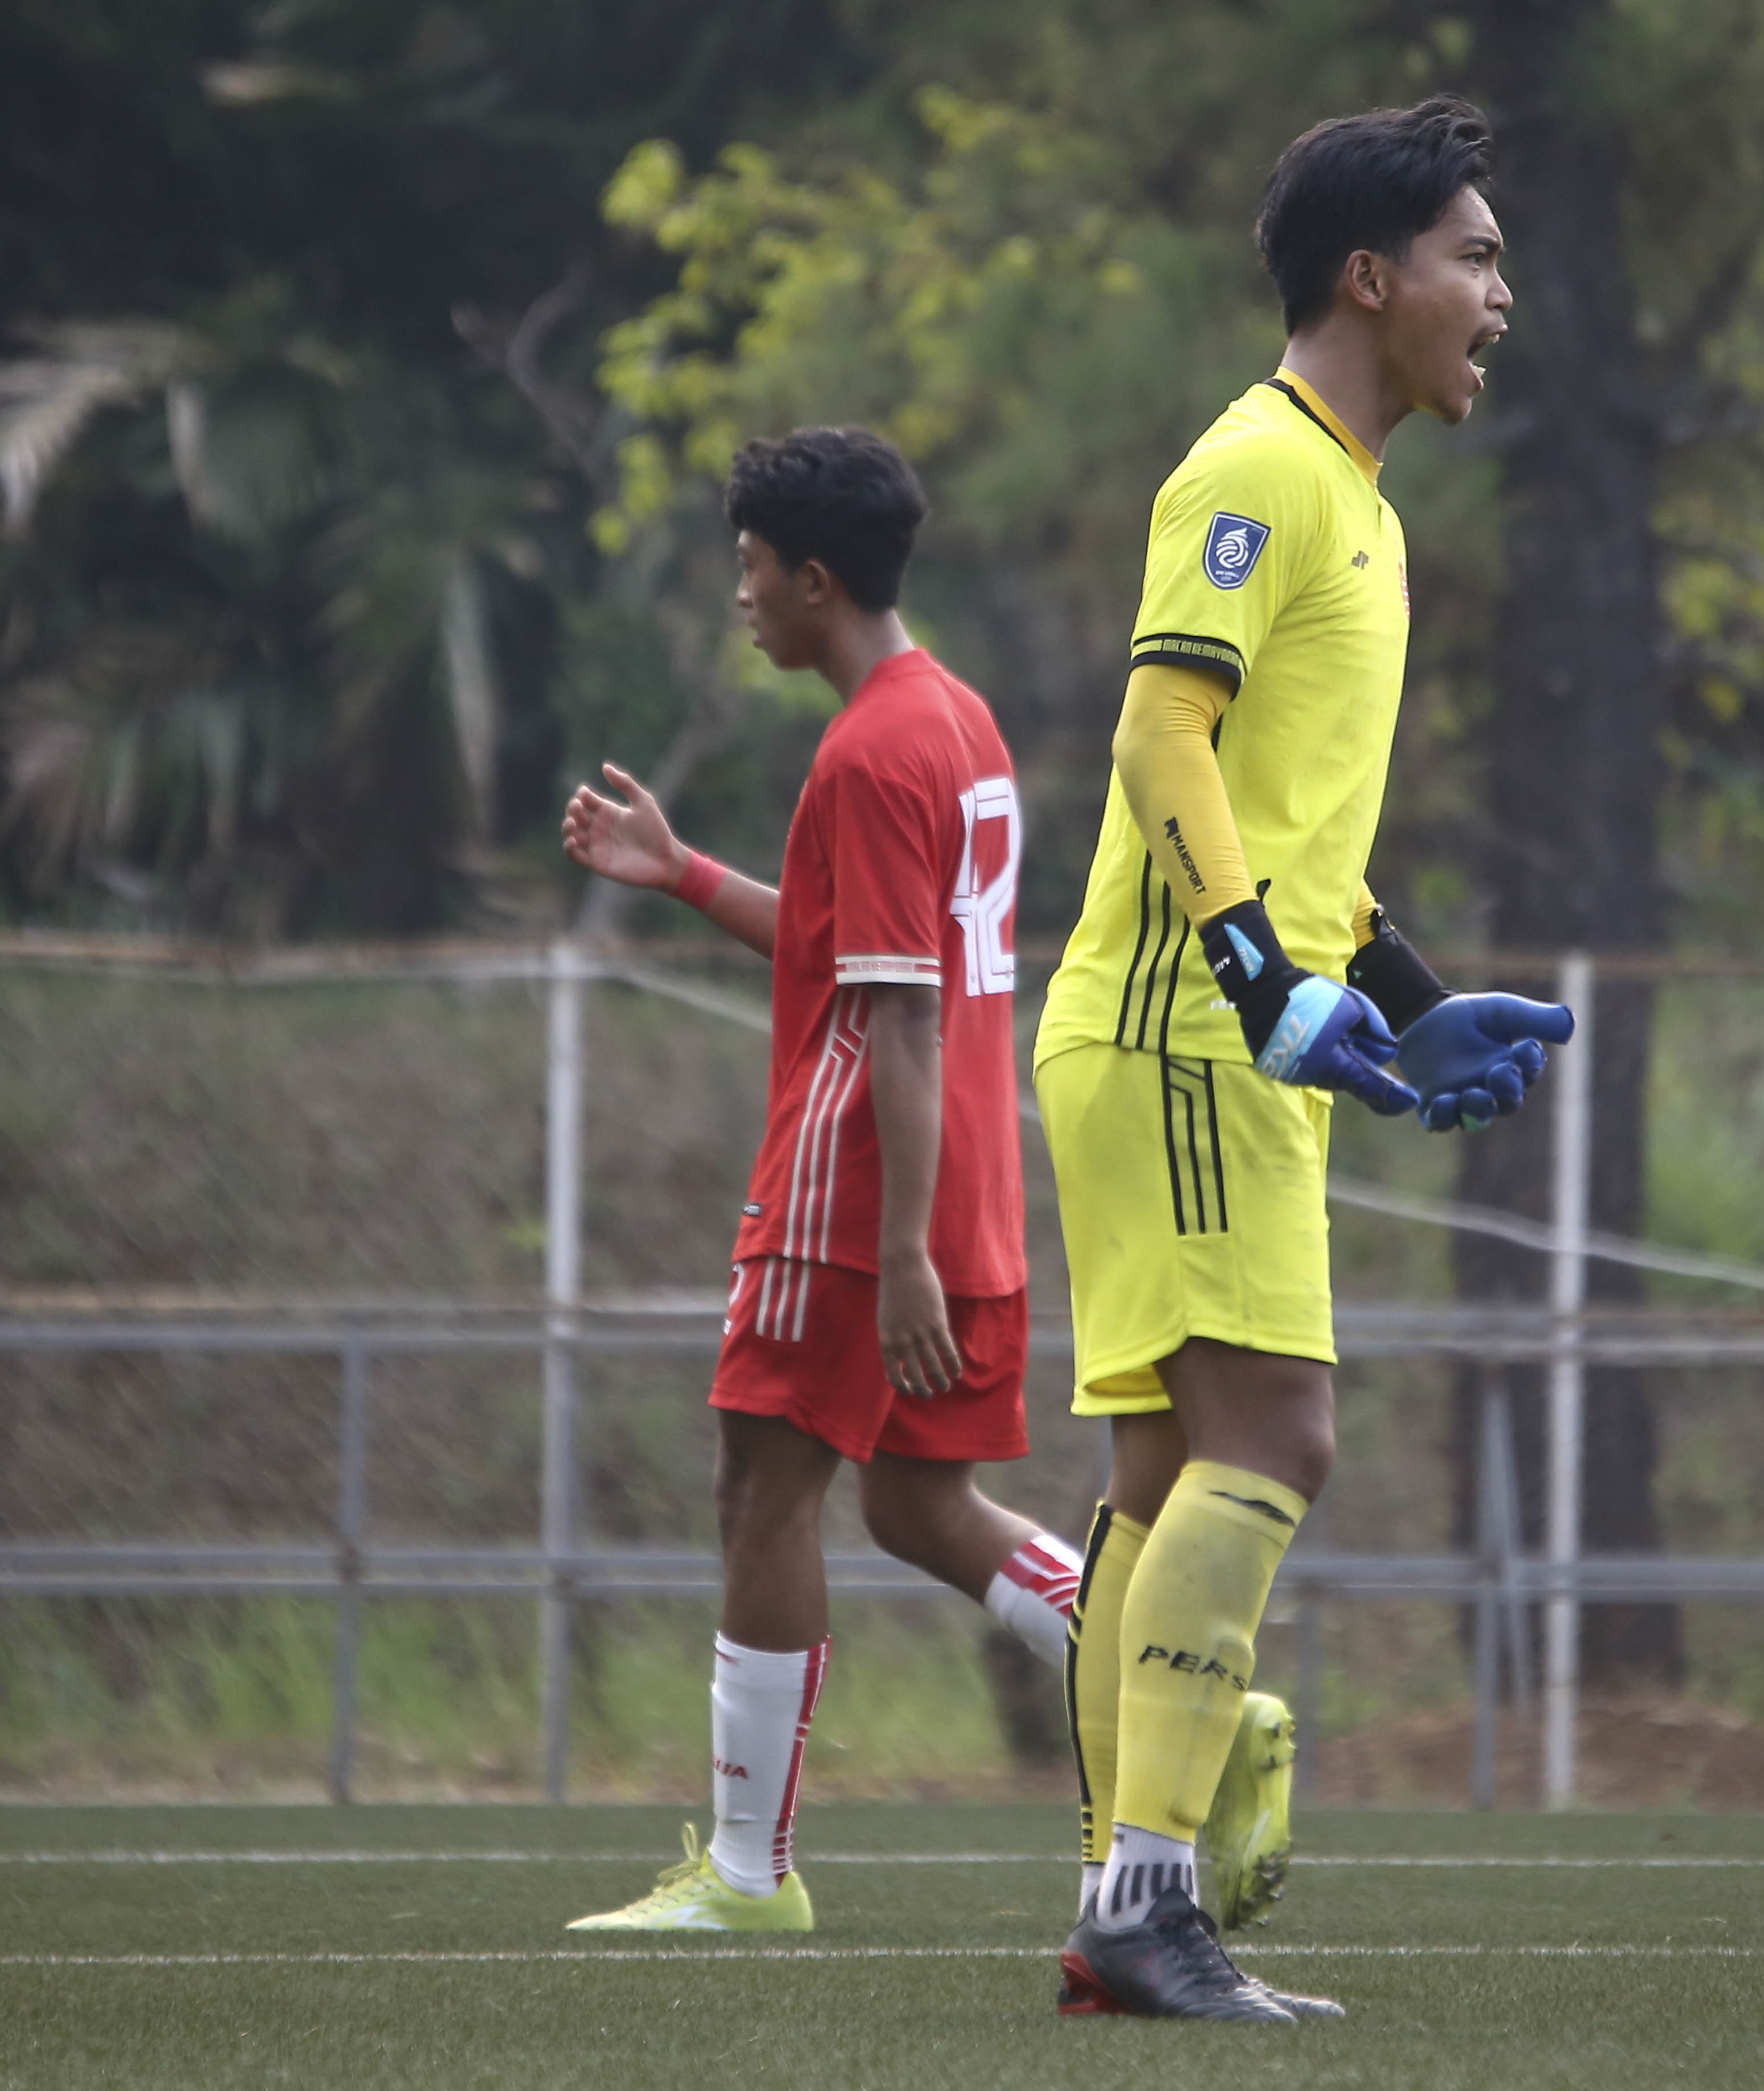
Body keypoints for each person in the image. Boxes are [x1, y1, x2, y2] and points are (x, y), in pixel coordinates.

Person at [1036, 97, 1576, 2022]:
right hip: (1187, 1029)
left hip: (1182, 1024)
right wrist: (1263, 982)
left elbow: (1288, 810)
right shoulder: (1255, 467)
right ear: (1374, 276)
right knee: (1276, 1444)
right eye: (1476, 259)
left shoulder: (1361, 493)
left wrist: (1408, 994)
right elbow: (1160, 743)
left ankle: (1122, 1900)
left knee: (1166, 1469)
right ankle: (1142, 1901)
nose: (1500, 296)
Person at [559, 427, 1077, 1934]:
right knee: (919, 1505)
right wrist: (687, 874)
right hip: (960, 1167)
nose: (742, 599)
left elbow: (895, 1014)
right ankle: (1176, 1678)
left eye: (751, 572)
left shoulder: (869, 749)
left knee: (761, 1490)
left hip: (861, 1187)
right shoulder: (955, 721)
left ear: (817, 577)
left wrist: (898, 1249)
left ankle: (744, 1876)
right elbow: (870, 949)